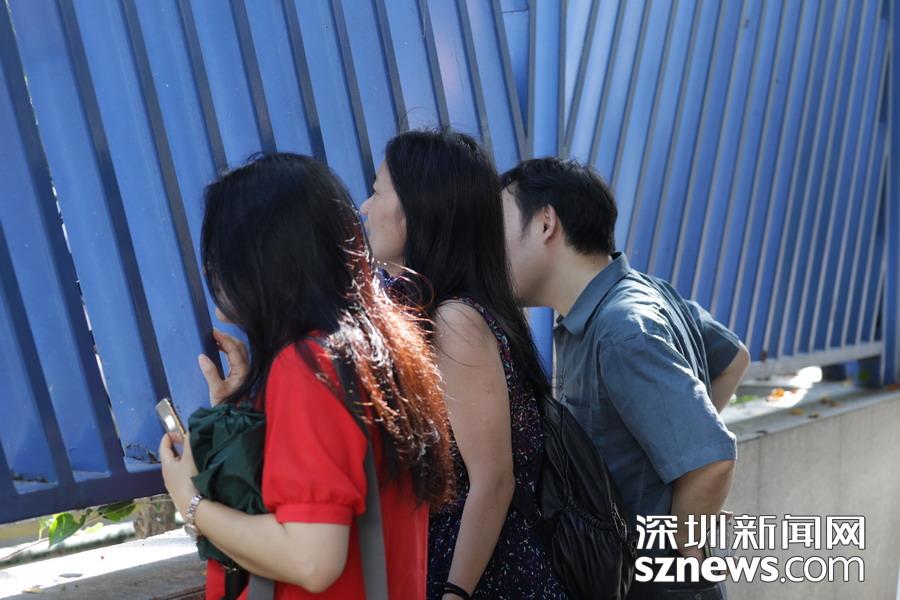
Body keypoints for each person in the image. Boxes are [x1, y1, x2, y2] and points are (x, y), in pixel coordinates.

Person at [159, 153, 454, 600]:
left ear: (265, 258)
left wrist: (192, 503)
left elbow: (312, 560)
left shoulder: (307, 365)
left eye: (221, 253)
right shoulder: (375, 345)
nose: (208, 271)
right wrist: (242, 418)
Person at [499, 157, 750, 600]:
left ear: (545, 223)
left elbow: (711, 461)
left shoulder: (621, 329)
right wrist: (670, 440)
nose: (489, 251)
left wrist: (682, 549)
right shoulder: (642, 294)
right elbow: (733, 358)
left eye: (497, 229)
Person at [360, 129, 567, 600]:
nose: (365, 207)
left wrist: (455, 593)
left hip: (485, 579)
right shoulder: (427, 313)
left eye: (376, 191)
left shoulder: (455, 321)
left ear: (418, 210)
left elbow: (493, 479)